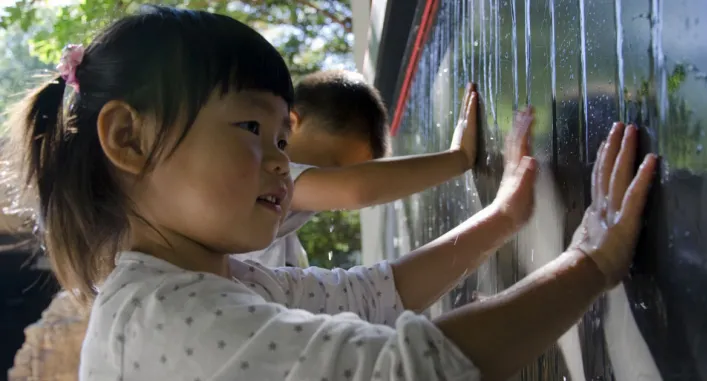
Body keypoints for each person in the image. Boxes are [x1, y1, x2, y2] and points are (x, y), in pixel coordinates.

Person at [6, 6, 657, 381]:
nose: (280, 164)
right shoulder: (159, 318)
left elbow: (370, 296)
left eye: (282, 141)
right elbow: (411, 368)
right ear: (128, 138)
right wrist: (591, 264)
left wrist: (504, 214)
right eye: (252, 129)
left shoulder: (203, 279)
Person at [237, 70, 479, 268]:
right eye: (332, 169)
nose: (334, 196)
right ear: (291, 123)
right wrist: (459, 158)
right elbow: (357, 190)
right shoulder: (265, 175)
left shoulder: (282, 234)